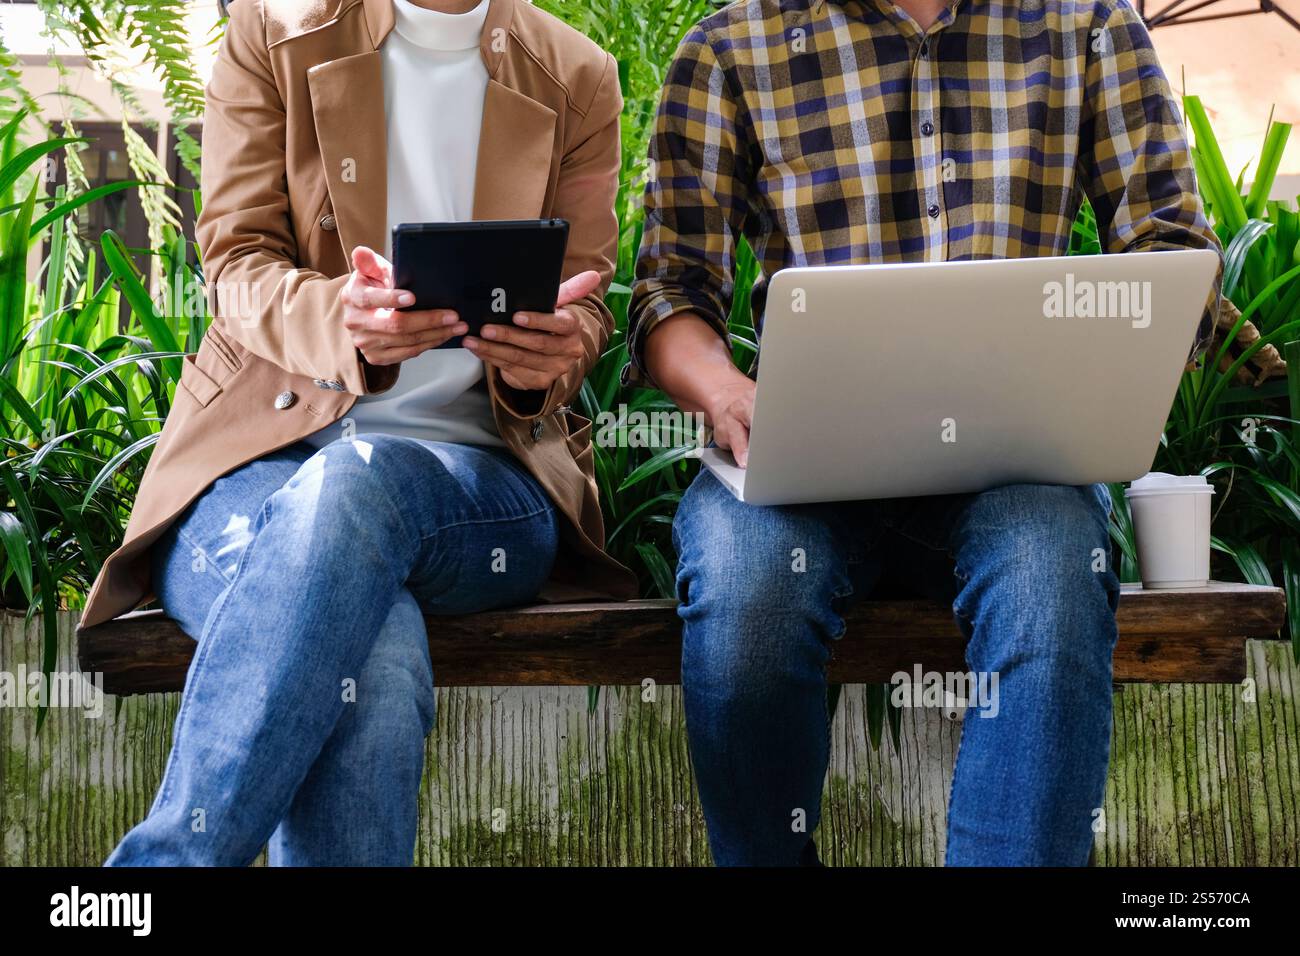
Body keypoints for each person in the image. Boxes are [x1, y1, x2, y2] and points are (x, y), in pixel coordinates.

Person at [627, 0, 1221, 866]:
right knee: (747, 590)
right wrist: (721, 388)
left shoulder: (1089, 23)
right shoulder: (731, 44)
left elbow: (1171, 249)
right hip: (805, 465)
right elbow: (667, 294)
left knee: (1052, 577)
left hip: (1020, 467)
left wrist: (1150, 314)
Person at [85, 0, 634, 866]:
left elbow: (585, 298)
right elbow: (234, 262)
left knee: (356, 482)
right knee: (372, 661)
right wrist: (339, 323)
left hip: (480, 492)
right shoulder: (275, 31)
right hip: (259, 461)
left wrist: (551, 358)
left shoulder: (576, 74)